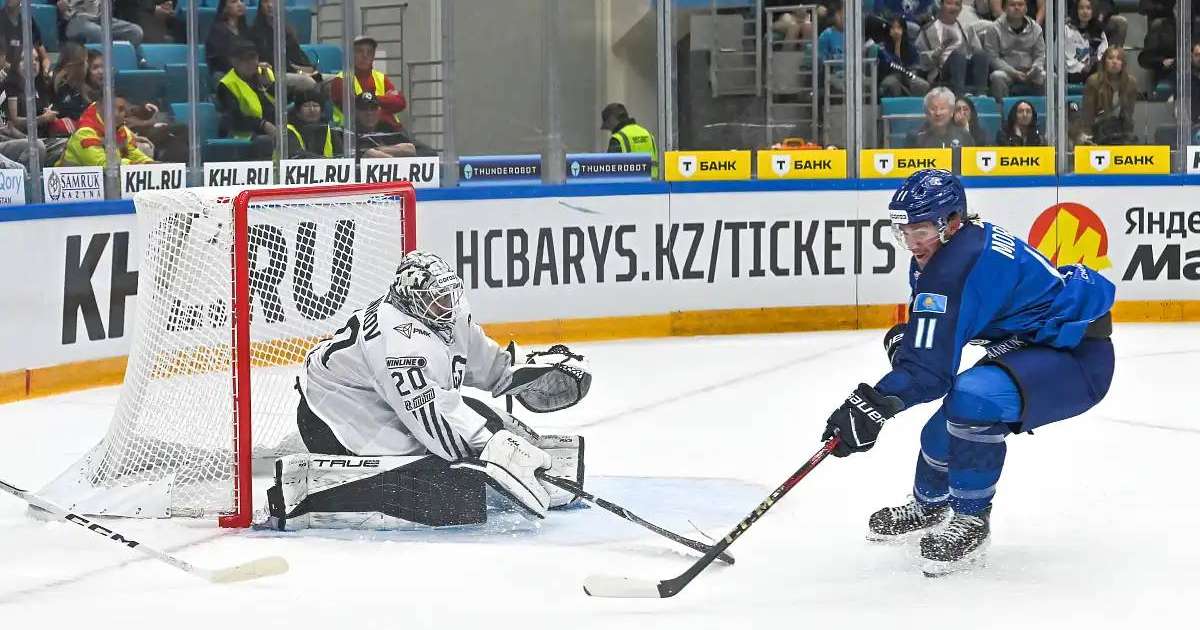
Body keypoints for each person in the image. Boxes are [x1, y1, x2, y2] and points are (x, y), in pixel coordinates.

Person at [820, 169, 1114, 577]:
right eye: (904, 230)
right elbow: (939, 341)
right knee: (939, 434)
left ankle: (971, 520)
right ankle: (929, 506)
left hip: (1076, 360)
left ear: (952, 221)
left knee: (972, 397)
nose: (911, 242)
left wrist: (872, 405)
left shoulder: (953, 266)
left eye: (921, 229)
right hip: (1037, 346)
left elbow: (930, 373)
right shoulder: (953, 248)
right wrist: (909, 357)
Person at [282, 250, 591, 528]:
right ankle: (318, 496)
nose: (447, 304)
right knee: (452, 495)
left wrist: (515, 374)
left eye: (448, 294)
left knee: (487, 424)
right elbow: (432, 422)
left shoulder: (444, 314)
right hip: (335, 420)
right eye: (436, 298)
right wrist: (490, 454)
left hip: (385, 402)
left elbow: (479, 362)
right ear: (412, 300)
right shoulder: (399, 341)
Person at [328, 35, 407, 129]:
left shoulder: (381, 77)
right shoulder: (341, 81)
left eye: (369, 52)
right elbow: (358, 112)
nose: (365, 56)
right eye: (359, 51)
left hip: (391, 130)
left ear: (373, 56)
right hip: (354, 134)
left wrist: (372, 100)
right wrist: (385, 104)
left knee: (416, 144)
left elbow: (400, 103)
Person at [214, 43, 277, 159]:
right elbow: (235, 119)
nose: (250, 63)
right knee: (265, 141)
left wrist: (269, 86)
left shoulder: (263, 75)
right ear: (234, 62)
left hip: (269, 129)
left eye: (253, 58)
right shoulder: (227, 85)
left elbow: (282, 103)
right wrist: (263, 125)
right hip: (242, 135)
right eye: (244, 60)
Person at [915, 0, 990, 97]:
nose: (953, 8)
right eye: (949, 3)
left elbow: (977, 50)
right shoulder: (927, 31)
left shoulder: (966, 28)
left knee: (981, 54)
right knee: (957, 55)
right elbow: (921, 60)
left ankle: (981, 93)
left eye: (957, 4)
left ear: (961, 9)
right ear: (941, 6)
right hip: (941, 72)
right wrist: (937, 52)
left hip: (966, 66)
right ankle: (959, 94)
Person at [56, 95, 155, 166]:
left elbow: (134, 153)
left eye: (125, 109)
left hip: (101, 187)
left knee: (145, 149)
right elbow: (103, 165)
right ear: (101, 107)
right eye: (120, 109)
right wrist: (138, 166)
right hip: (72, 191)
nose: (124, 114)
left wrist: (153, 164)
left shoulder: (120, 129)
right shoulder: (85, 132)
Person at [251, 0, 320, 95]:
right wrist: (298, 71)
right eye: (266, 1)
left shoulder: (287, 31)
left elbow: (301, 60)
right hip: (272, 76)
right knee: (308, 82)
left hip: (295, 73)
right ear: (260, 6)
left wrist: (306, 70)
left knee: (331, 81)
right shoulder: (254, 32)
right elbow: (268, 65)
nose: (270, 5)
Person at [982, 0, 1046, 98]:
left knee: (1051, 77)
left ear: (1026, 8)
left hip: (1031, 72)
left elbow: (1040, 55)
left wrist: (1034, 69)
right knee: (997, 76)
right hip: (1007, 72)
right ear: (1004, 8)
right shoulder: (994, 28)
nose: (1017, 7)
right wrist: (1014, 73)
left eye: (1020, 4)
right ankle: (1001, 111)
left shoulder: (1036, 28)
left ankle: (1050, 111)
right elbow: (993, 58)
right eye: (1012, 5)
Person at [61, 0, 148, 68]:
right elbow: (61, 6)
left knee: (135, 32)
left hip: (102, 18)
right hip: (76, 20)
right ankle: (98, 68)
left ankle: (126, 63)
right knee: (99, 32)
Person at [1079, 46, 1138, 145]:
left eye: (1118, 59)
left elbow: (1129, 114)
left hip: (1121, 132)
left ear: (1123, 63)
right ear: (1104, 62)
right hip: (1098, 130)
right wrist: (1088, 137)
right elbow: (1087, 115)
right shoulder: (1093, 81)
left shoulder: (1131, 82)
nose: (1114, 62)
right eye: (1110, 58)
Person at [352, 91, 434, 158]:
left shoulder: (387, 129)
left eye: (373, 108)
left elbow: (429, 153)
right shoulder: (348, 134)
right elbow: (345, 157)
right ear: (355, 112)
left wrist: (384, 150)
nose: (369, 113)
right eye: (363, 109)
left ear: (379, 110)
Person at [601, 102, 658, 179]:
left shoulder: (618, 138)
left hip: (629, 188)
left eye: (608, 125)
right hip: (653, 188)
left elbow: (609, 170)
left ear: (611, 119)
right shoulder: (647, 134)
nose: (610, 130)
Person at [879, 16, 930, 98]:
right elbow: (891, 66)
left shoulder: (910, 47)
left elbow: (915, 65)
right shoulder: (883, 47)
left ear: (903, 30)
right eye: (893, 28)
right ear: (889, 30)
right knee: (891, 84)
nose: (896, 31)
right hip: (890, 74)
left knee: (923, 85)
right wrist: (897, 45)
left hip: (908, 74)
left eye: (899, 28)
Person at [905, 87, 974, 148]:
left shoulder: (963, 136)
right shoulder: (915, 137)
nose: (938, 113)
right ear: (926, 112)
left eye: (942, 108)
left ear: (952, 112)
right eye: (933, 108)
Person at [0, 0, 52, 80]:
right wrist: (18, 69)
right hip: (10, 77)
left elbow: (44, 56)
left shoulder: (28, 19)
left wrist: (46, 69)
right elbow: (2, 60)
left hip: (30, 75)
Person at [284, 90, 341, 159]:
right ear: (298, 112)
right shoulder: (288, 129)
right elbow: (295, 155)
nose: (312, 110)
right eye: (306, 106)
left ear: (321, 110)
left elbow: (340, 155)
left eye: (315, 105)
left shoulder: (330, 129)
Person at [206, 0, 254, 77]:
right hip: (225, 74)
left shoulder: (246, 31)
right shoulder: (217, 31)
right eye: (234, 1)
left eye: (242, 1)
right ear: (225, 7)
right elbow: (219, 61)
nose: (239, 4)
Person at [1065, 0, 1108, 85]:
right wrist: (1082, 68)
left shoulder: (1098, 31)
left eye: (1088, 8)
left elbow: (1104, 51)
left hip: (1093, 72)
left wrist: (1096, 63)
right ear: (1076, 11)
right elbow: (1065, 57)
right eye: (1081, 8)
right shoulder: (1067, 29)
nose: (1085, 11)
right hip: (1072, 72)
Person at [817, 1, 846, 94]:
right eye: (839, 14)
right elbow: (821, 61)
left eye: (844, 14)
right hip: (833, 76)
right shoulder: (826, 35)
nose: (842, 18)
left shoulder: (855, 34)